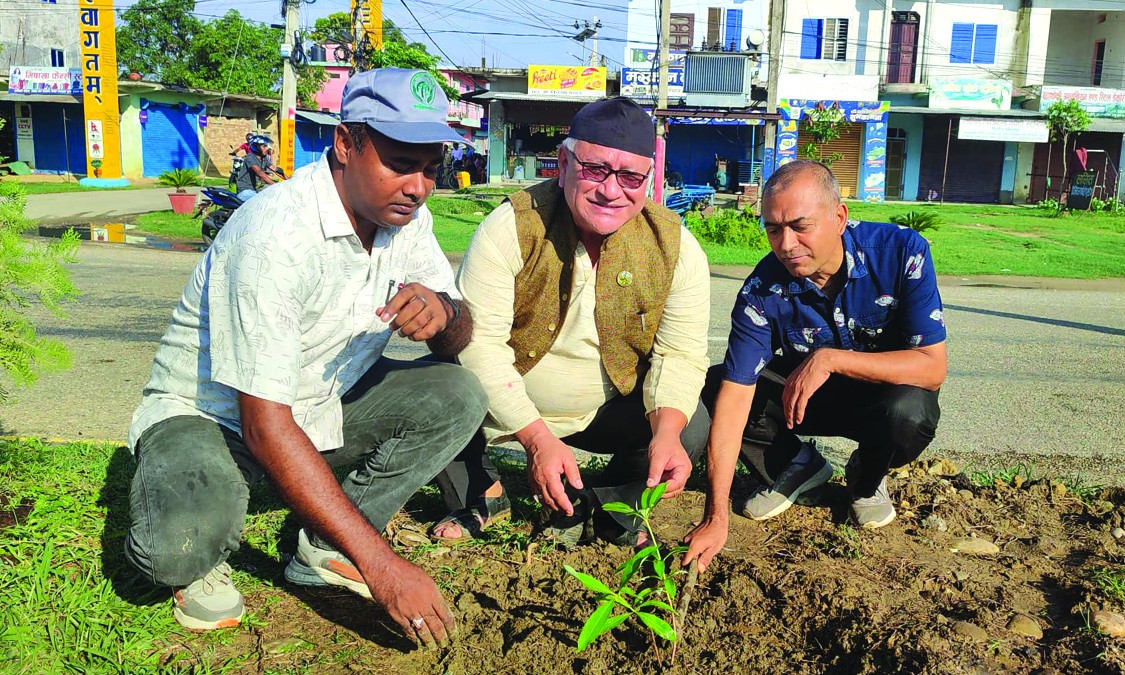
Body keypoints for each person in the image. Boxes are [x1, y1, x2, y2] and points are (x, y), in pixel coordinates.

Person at [123, 68, 486, 649]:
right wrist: (383, 567)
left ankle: (324, 546)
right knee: (177, 551)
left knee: (458, 394)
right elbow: (263, 425)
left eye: (429, 168)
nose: (418, 187)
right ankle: (210, 522)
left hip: (320, 402)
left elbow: (457, 337)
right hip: (214, 416)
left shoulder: (407, 221)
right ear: (344, 144)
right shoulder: (276, 235)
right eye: (400, 163)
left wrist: (444, 312)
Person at [432, 97, 711, 547]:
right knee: (439, 386)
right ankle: (481, 496)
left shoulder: (675, 247)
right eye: (595, 169)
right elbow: (479, 345)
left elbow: (680, 354)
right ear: (563, 164)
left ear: (649, 180)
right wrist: (536, 439)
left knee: (689, 421)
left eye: (630, 177)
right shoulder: (510, 226)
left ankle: (613, 511)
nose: (611, 190)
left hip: (604, 410)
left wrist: (666, 431)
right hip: (501, 405)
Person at [683, 160, 946, 572]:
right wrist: (716, 516)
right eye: (773, 229)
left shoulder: (901, 253)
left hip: (883, 400)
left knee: (909, 414)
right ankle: (796, 465)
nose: (786, 244)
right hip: (804, 400)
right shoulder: (762, 290)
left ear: (838, 217)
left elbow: (931, 368)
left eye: (800, 226)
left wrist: (831, 359)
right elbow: (735, 398)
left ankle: (866, 477)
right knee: (717, 384)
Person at [232, 135, 276, 202]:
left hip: (253, 190)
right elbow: (260, 173)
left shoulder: (263, 158)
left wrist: (289, 180)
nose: (266, 148)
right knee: (264, 201)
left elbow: (276, 170)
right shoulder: (250, 158)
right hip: (244, 191)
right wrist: (275, 185)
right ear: (256, 147)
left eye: (267, 146)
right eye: (264, 146)